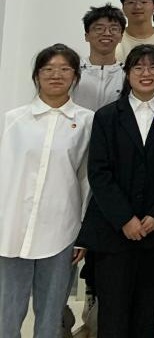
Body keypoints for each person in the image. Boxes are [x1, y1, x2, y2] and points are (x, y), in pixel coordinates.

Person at [78, 44, 154, 338]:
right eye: (138, 67)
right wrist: (124, 219)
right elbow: (99, 173)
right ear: (127, 72)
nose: (146, 73)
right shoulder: (107, 116)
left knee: (147, 312)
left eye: (153, 67)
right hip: (113, 231)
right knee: (113, 313)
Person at [0, 45, 92, 337]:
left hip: (61, 229)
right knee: (7, 313)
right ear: (37, 75)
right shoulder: (13, 119)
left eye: (65, 69)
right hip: (13, 227)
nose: (56, 75)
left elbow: (87, 180)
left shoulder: (86, 121)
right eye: (48, 69)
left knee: (51, 315)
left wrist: (83, 232)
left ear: (75, 76)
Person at [75, 3, 127, 111]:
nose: (107, 33)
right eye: (99, 28)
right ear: (86, 36)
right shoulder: (73, 71)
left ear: (121, 37)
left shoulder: (127, 74)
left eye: (113, 29)